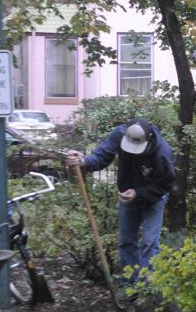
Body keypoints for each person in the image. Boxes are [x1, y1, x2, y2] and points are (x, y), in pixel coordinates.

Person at [66, 118, 175, 287]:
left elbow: (165, 184)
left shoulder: (162, 152)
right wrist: (84, 162)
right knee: (126, 240)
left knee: (149, 241)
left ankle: (147, 288)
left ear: (148, 139)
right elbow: (102, 155)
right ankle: (130, 286)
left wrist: (139, 193)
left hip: (154, 198)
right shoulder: (120, 134)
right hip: (127, 194)